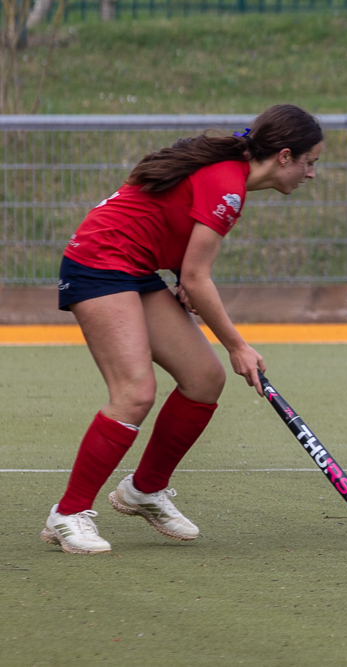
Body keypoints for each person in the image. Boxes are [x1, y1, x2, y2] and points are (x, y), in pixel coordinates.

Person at [41, 105, 324, 554]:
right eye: (311, 162)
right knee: (134, 393)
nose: (311, 174)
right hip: (98, 264)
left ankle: (143, 491)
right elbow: (197, 277)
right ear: (285, 156)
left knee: (203, 380)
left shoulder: (230, 178)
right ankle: (68, 514)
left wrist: (178, 275)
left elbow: (168, 225)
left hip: (136, 268)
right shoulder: (228, 186)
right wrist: (238, 345)